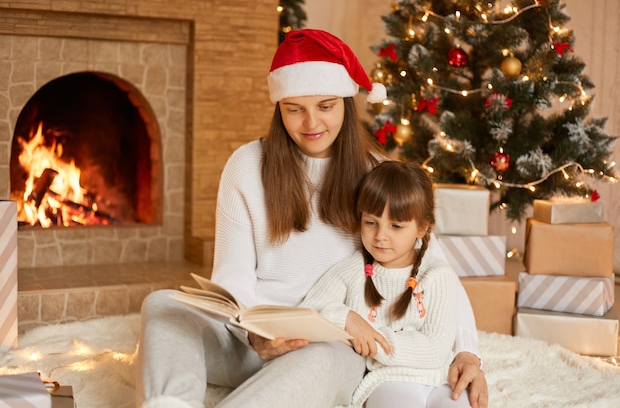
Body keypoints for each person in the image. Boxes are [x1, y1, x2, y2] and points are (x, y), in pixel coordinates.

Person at [136, 28, 488, 408]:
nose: (311, 123)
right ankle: (168, 403)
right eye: (294, 109)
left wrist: (467, 351)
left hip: (330, 346)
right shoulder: (246, 166)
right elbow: (231, 278)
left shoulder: (378, 174)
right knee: (163, 305)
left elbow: (434, 266)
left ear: (346, 103)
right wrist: (253, 335)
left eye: (325, 106)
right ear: (278, 107)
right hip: (251, 343)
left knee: (329, 353)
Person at [300, 160, 471, 408]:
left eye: (396, 226)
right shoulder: (352, 270)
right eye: (371, 222)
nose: (380, 235)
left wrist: (372, 342)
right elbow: (311, 309)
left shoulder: (437, 275)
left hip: (442, 380)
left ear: (422, 227)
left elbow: (435, 348)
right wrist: (346, 319)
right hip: (387, 381)